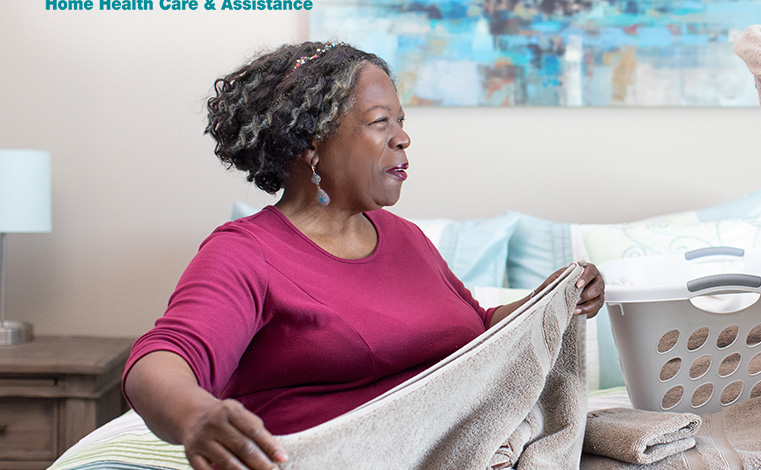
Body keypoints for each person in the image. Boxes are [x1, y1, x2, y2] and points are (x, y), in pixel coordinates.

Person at [122, 42, 606, 470]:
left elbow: (475, 327)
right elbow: (161, 360)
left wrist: (551, 300)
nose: (402, 137)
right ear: (310, 143)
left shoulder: (403, 237)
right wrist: (196, 415)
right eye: (380, 122)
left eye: (401, 121)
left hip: (465, 447)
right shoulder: (246, 253)